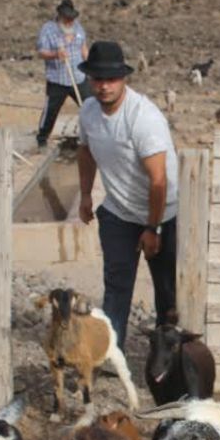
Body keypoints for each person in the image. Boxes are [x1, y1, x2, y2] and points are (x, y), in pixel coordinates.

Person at [76, 41, 177, 350]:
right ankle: (112, 352)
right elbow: (85, 151)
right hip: (119, 211)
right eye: (98, 79)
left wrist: (152, 227)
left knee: (167, 288)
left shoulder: (143, 118)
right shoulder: (89, 112)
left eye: (111, 79)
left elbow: (158, 180)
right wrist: (85, 195)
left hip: (163, 212)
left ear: (123, 79)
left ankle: (168, 352)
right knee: (117, 283)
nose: (104, 86)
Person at [35, 0, 90, 148]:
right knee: (50, 112)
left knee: (91, 107)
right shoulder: (48, 29)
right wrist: (55, 55)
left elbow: (83, 48)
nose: (69, 22)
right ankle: (42, 138)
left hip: (78, 77)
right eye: (67, 19)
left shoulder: (78, 28)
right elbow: (41, 52)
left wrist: (90, 66)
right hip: (57, 79)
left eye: (71, 19)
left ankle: (97, 136)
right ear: (60, 16)